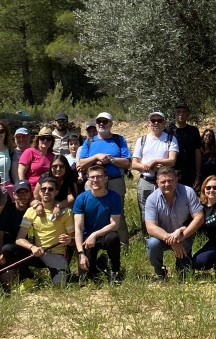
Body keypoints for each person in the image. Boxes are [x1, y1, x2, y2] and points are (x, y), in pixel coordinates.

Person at [77, 112, 132, 246]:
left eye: (105, 121)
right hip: (94, 182)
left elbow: (127, 163)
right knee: (91, 212)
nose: (101, 124)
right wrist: (96, 157)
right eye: (99, 121)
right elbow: (80, 164)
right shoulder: (89, 141)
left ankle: (123, 245)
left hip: (114, 181)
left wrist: (110, 160)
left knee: (118, 213)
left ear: (111, 124)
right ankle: (92, 242)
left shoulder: (119, 140)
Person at [13, 174, 75, 286]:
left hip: (57, 255)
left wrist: (69, 240)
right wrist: (32, 247)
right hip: (37, 254)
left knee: (60, 287)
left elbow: (74, 240)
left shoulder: (66, 212)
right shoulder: (31, 211)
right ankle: (28, 277)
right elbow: (19, 239)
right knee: (9, 250)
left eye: (50, 189)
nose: (46, 191)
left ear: (56, 192)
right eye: (43, 189)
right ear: (39, 192)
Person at [144, 168, 204, 280]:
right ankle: (160, 273)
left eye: (170, 180)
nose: (167, 184)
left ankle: (181, 265)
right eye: (163, 182)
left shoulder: (188, 192)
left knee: (185, 276)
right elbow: (151, 227)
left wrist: (181, 237)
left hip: (184, 235)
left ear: (177, 179)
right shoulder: (152, 199)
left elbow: (199, 217)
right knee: (152, 244)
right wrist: (171, 239)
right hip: (162, 237)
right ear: (157, 182)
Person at [73, 163, 124, 282]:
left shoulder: (114, 197)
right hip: (86, 240)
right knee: (86, 279)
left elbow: (114, 224)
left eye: (99, 177)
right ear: (88, 179)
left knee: (113, 238)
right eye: (92, 177)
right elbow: (78, 229)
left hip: (105, 235)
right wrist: (81, 253)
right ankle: (100, 264)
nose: (95, 180)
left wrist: (94, 235)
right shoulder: (81, 199)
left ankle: (115, 271)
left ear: (106, 178)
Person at [132, 110, 180, 235]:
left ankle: (167, 237)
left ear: (164, 123)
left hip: (165, 181)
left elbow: (172, 160)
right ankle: (148, 238)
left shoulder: (171, 138)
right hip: (146, 181)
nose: (156, 123)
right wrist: (148, 167)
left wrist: (154, 161)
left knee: (167, 209)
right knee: (145, 211)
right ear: (149, 123)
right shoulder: (142, 140)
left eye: (159, 120)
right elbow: (134, 164)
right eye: (153, 120)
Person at [0, 181, 37, 285]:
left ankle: (27, 275)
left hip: (28, 248)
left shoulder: (34, 211)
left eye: (25, 193)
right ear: (14, 195)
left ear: (30, 194)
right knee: (8, 281)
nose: (22, 196)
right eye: (19, 193)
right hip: (7, 250)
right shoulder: (7, 210)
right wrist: (2, 255)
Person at [170, 103, 203, 190]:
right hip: (172, 172)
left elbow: (198, 153)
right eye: (178, 112)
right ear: (175, 114)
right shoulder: (168, 131)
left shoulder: (193, 130)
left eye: (184, 112)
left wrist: (197, 175)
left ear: (188, 114)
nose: (181, 114)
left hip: (189, 172)